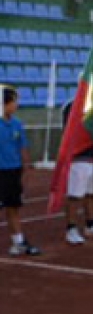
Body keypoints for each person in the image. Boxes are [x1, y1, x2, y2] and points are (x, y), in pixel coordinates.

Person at [62, 94, 93, 243]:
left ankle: (91, 224)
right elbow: (70, 131)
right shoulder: (72, 106)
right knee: (75, 195)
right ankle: (71, 228)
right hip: (79, 157)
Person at [0, 87, 41, 256]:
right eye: (14, 101)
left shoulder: (17, 123)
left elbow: (23, 146)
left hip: (13, 171)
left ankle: (18, 242)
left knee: (13, 207)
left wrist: (27, 165)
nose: (17, 104)